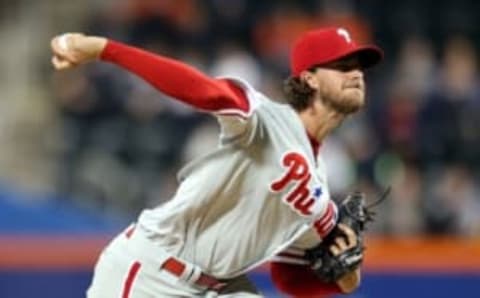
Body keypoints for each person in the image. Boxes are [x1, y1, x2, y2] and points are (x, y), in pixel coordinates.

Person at [50, 26, 383, 297]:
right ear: (308, 77)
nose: (356, 74)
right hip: (150, 272)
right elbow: (203, 91)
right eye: (342, 66)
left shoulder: (320, 193)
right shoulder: (266, 119)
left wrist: (349, 274)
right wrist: (104, 49)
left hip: (216, 289)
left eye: (359, 67)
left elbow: (290, 278)